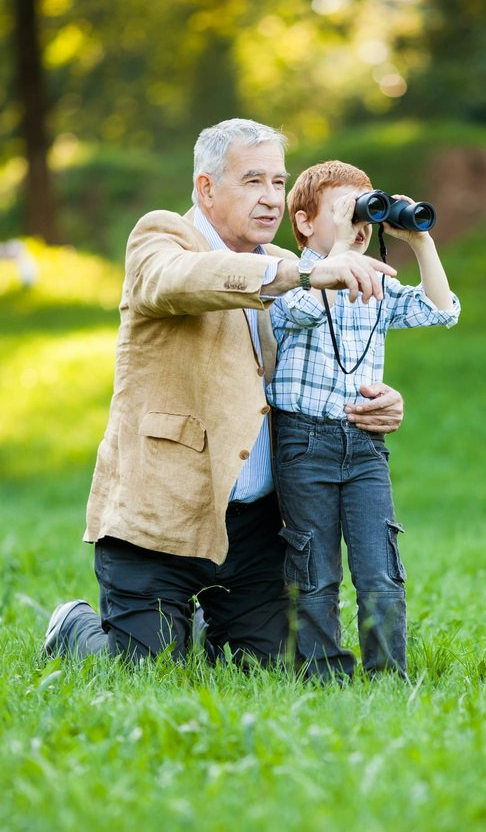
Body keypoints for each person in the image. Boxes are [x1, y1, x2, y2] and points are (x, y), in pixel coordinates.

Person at [43, 120, 406, 667]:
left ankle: (203, 626)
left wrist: (379, 401)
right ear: (207, 187)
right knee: (148, 670)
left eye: (279, 183)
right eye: (253, 181)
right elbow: (175, 280)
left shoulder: (289, 268)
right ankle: (75, 628)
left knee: (275, 670)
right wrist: (295, 273)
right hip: (158, 524)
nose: (271, 199)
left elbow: (320, 366)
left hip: (254, 532)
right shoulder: (163, 237)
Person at [266, 160, 461, 680]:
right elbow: (298, 314)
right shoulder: (291, 277)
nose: (359, 223)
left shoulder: (375, 280)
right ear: (305, 222)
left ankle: (386, 674)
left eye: (366, 211)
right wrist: (331, 260)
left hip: (365, 445)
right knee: (315, 568)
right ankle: (321, 672)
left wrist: (419, 241)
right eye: (344, 211)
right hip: (304, 443)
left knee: (381, 568)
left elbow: (440, 311)